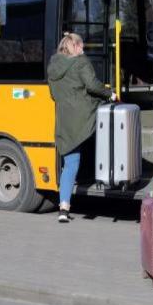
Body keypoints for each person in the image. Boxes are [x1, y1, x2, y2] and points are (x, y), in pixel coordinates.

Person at [47, 33, 115, 223]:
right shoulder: (81, 62)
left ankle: (64, 208)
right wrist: (110, 93)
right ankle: (110, 179)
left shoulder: (53, 67)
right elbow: (93, 86)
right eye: (82, 47)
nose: (83, 50)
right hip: (85, 115)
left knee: (70, 163)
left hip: (64, 118)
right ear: (75, 46)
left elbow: (53, 95)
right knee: (105, 133)